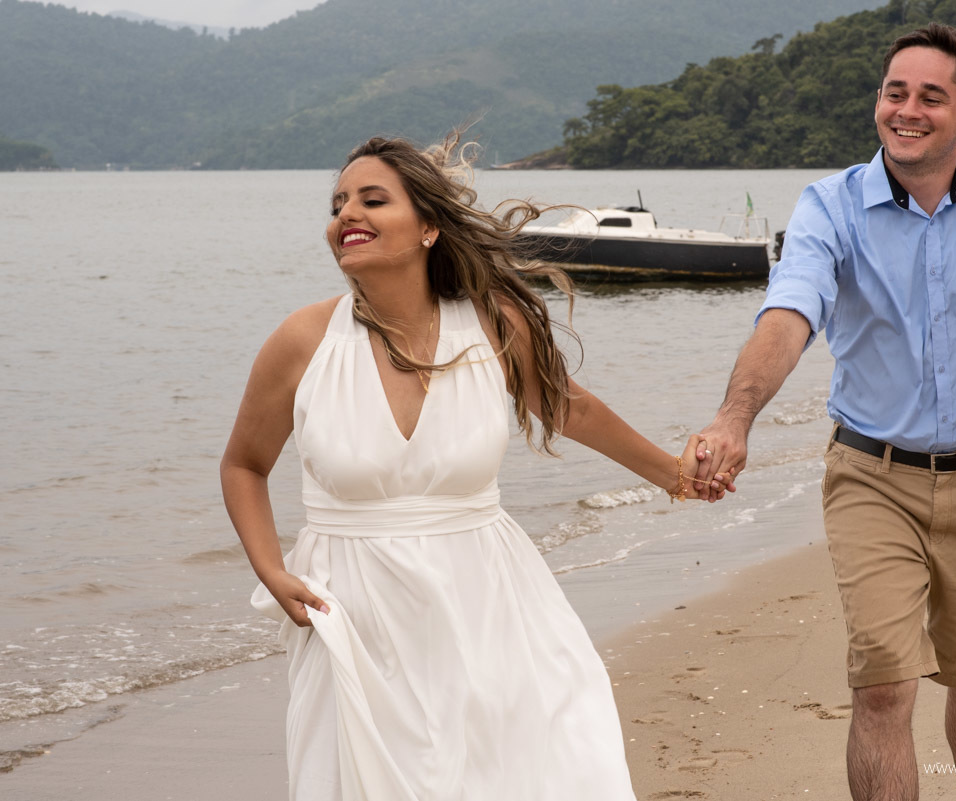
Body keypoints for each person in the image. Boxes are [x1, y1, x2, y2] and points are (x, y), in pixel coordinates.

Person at [220, 133, 729, 801]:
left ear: (429, 227)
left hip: (488, 602)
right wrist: (270, 569)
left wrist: (676, 475)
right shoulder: (303, 340)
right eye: (338, 203)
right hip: (352, 612)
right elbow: (244, 464)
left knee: (527, 773)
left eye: (372, 199)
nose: (347, 214)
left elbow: (571, 409)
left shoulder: (494, 324)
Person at [689, 22, 956, 801]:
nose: (909, 110)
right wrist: (734, 419)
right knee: (884, 686)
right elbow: (789, 314)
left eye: (932, 96)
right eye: (896, 93)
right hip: (873, 476)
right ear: (877, 102)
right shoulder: (831, 207)